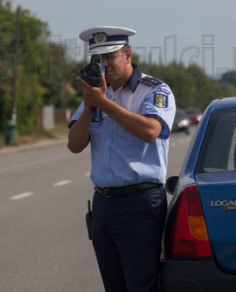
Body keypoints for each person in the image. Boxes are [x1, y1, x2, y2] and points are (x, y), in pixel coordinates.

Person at [68, 26, 176, 292]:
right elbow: (74, 144)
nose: (104, 65)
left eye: (109, 57)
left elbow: (151, 131)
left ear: (127, 55)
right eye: (97, 59)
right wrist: (91, 105)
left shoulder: (152, 90)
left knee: (140, 285)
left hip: (140, 203)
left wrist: (105, 104)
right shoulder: (94, 95)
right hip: (104, 204)